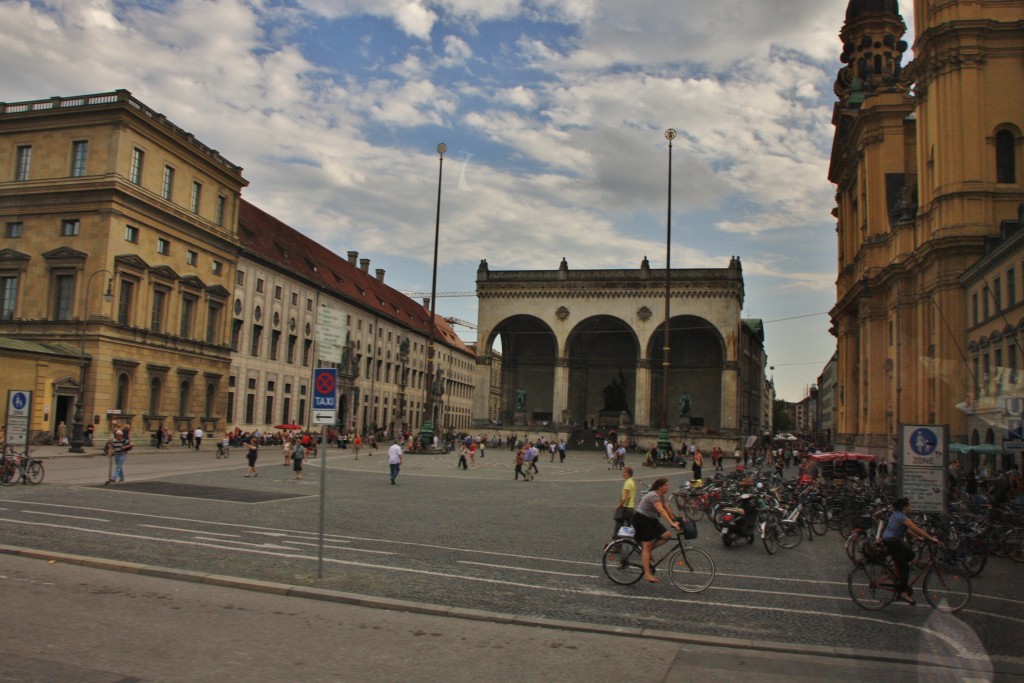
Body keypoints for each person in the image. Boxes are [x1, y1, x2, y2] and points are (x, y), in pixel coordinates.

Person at [881, 497, 940, 605]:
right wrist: (931, 538)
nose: (911, 507)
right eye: (910, 505)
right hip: (893, 542)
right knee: (905, 567)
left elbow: (907, 530)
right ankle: (904, 593)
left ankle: (896, 569)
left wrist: (918, 537)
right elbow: (916, 528)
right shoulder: (902, 517)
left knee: (911, 554)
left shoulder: (897, 514)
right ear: (905, 507)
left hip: (890, 541)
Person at [631, 477, 681, 583]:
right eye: (666, 485)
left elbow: (667, 508)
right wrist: (672, 523)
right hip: (642, 520)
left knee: (666, 535)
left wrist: (675, 519)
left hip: (652, 519)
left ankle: (647, 552)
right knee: (647, 546)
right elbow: (661, 510)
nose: (668, 487)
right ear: (660, 487)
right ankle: (647, 575)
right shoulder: (654, 496)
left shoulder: (661, 496)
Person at [612, 466, 636, 539]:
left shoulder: (627, 483)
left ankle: (616, 545)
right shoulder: (631, 481)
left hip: (626, 508)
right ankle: (639, 543)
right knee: (632, 526)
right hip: (630, 508)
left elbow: (625, 497)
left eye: (624, 472)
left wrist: (619, 506)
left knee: (618, 527)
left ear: (628, 473)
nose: (623, 474)